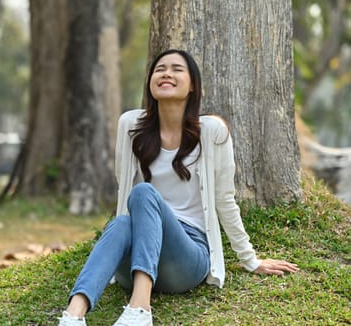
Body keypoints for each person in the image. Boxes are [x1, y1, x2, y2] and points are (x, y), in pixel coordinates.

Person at [58, 49, 299, 326]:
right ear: (150, 81)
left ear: (193, 84)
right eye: (160, 69)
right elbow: (121, 185)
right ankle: (73, 316)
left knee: (144, 193)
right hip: (135, 258)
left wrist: (250, 258)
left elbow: (224, 200)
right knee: (122, 223)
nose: (166, 74)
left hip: (186, 258)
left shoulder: (212, 132)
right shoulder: (130, 126)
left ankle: (139, 310)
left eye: (176, 69)